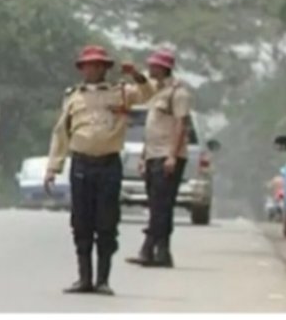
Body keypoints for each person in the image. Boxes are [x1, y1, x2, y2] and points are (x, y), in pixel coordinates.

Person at [44, 45, 154, 295]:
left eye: (97, 65)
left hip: (108, 165)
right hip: (82, 163)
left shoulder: (122, 92)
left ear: (105, 68)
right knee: (81, 223)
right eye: (87, 65)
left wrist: (136, 74)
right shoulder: (73, 96)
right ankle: (84, 278)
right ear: (82, 69)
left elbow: (149, 94)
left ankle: (103, 279)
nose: (92, 69)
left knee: (106, 222)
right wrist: (53, 168)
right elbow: (61, 134)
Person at [126, 49, 192, 268]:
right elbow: (151, 127)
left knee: (162, 204)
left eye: (154, 66)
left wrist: (172, 155)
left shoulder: (178, 93)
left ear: (164, 68)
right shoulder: (156, 92)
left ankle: (148, 249)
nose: (151, 69)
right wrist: (144, 156)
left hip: (168, 155)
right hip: (154, 153)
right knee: (157, 205)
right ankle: (162, 252)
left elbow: (181, 125)